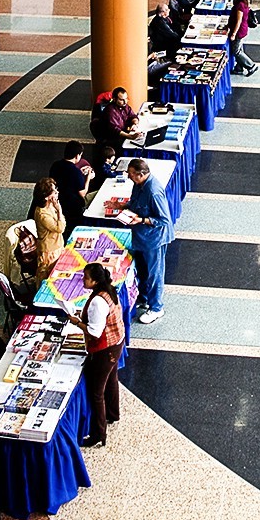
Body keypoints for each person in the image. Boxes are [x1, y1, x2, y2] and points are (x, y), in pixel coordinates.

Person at [68, 263, 125, 447]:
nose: (83, 280)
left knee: (96, 392)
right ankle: (112, 413)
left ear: (94, 281)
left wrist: (77, 322)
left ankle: (98, 433)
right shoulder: (108, 292)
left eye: (85, 277)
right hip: (117, 343)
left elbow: (94, 332)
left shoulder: (98, 302)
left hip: (105, 350)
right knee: (111, 378)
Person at [126, 158, 175, 324]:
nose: (128, 175)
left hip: (154, 239)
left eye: (131, 173)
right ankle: (144, 297)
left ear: (141, 174)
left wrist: (141, 220)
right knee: (142, 269)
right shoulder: (138, 185)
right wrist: (121, 208)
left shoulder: (154, 192)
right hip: (140, 238)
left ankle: (156, 307)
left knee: (155, 274)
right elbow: (135, 203)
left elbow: (163, 219)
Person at [49, 141, 94, 239]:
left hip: (57, 201)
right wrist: (88, 178)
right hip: (73, 206)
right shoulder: (75, 172)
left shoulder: (55, 165)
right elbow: (82, 193)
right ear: (77, 156)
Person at [33, 177, 66, 285]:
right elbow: (60, 228)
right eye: (54, 191)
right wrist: (59, 211)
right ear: (47, 197)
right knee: (47, 279)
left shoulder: (51, 206)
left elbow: (62, 224)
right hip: (49, 251)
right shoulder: (43, 215)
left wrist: (58, 213)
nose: (57, 192)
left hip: (57, 245)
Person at [98, 87, 143, 153]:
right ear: (114, 99)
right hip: (114, 139)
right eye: (121, 100)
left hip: (124, 133)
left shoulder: (125, 106)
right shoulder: (110, 111)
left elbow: (133, 116)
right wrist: (130, 136)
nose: (125, 102)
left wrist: (135, 123)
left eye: (126, 99)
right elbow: (115, 130)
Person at [228, 0, 258, 77]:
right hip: (243, 29)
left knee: (236, 51)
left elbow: (238, 21)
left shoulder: (240, 5)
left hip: (239, 31)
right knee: (240, 48)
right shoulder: (243, 2)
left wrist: (233, 34)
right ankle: (239, 68)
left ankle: (251, 65)